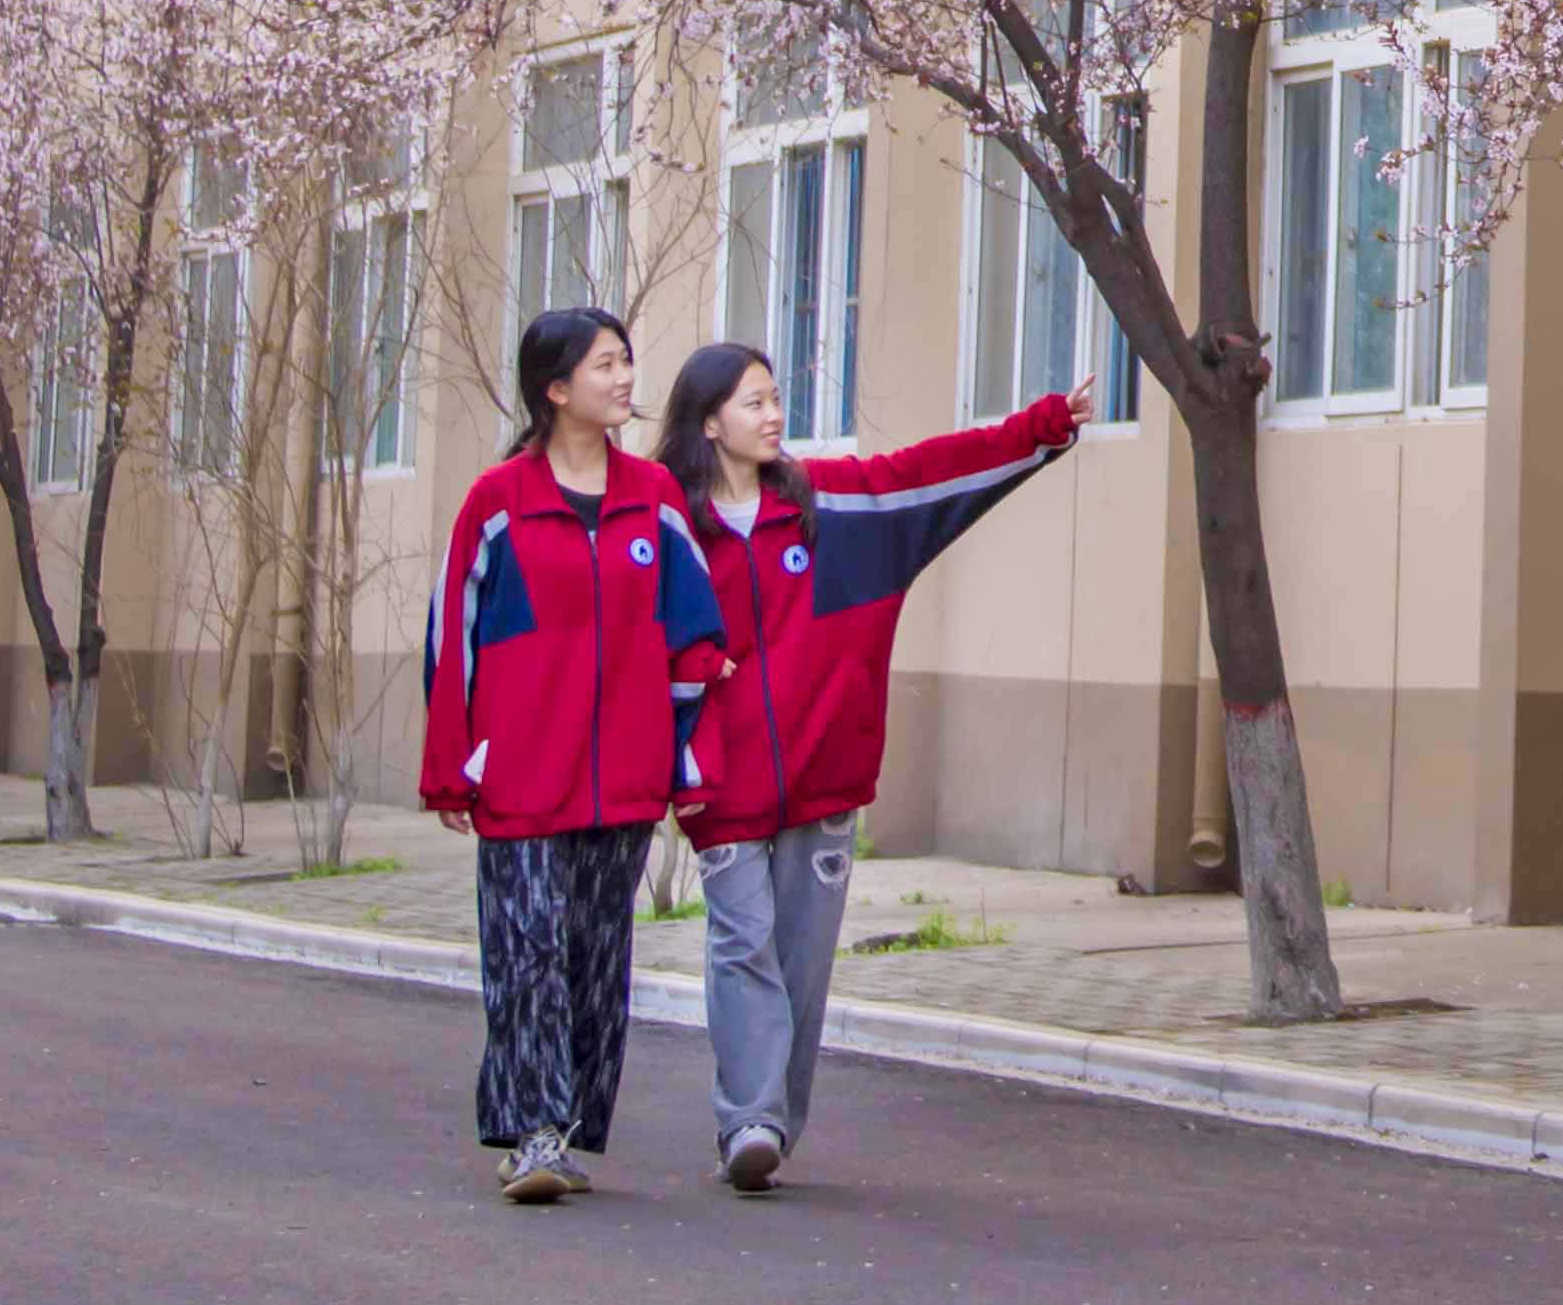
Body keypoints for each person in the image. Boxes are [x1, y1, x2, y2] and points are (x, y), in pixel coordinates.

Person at [657, 341, 1084, 1193]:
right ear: (709, 424)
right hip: (721, 786)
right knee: (742, 941)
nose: (774, 415)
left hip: (824, 783)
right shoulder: (669, 530)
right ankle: (749, 1119)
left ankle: (776, 1119)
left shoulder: (837, 507)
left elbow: (933, 474)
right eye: (753, 402)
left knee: (802, 962)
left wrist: (1039, 431)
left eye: (776, 398)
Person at [425, 306, 728, 1203]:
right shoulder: (497, 502)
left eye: (628, 360)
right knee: (526, 951)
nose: (627, 377)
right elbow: (454, 640)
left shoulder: (653, 497)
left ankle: (573, 1122)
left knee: (596, 959)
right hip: (522, 772)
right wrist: (450, 765)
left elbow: (690, 631)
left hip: (623, 776)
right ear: (555, 388)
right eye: (606, 364)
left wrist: (685, 758)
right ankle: (535, 1132)